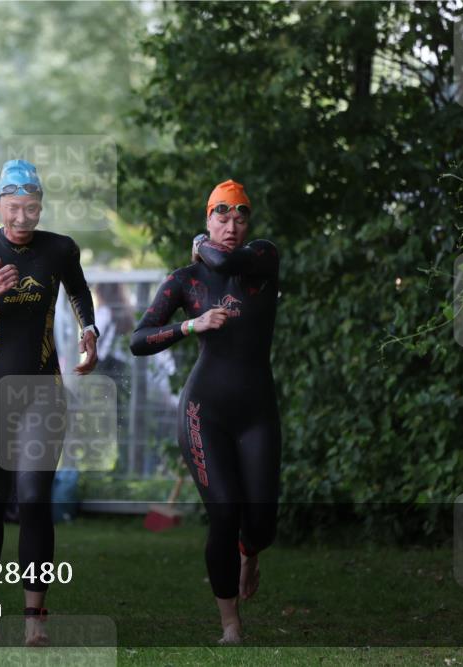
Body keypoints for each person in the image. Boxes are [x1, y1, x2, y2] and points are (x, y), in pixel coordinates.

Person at [0, 159, 99, 646]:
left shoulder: (59, 249)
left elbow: (79, 292)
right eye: (13, 207)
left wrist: (89, 330)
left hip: (43, 394)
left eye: (31, 208)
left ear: (40, 208)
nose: (22, 218)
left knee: (33, 501)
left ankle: (35, 620)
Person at [129, 179, 281, 645]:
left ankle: (249, 551)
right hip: (204, 411)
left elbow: (221, 258)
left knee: (260, 521)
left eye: (239, 217)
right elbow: (138, 340)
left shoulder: (261, 260)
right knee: (223, 512)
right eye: (220, 217)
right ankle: (230, 626)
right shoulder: (185, 281)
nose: (231, 227)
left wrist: (200, 244)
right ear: (207, 217)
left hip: (257, 410)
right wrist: (189, 324)